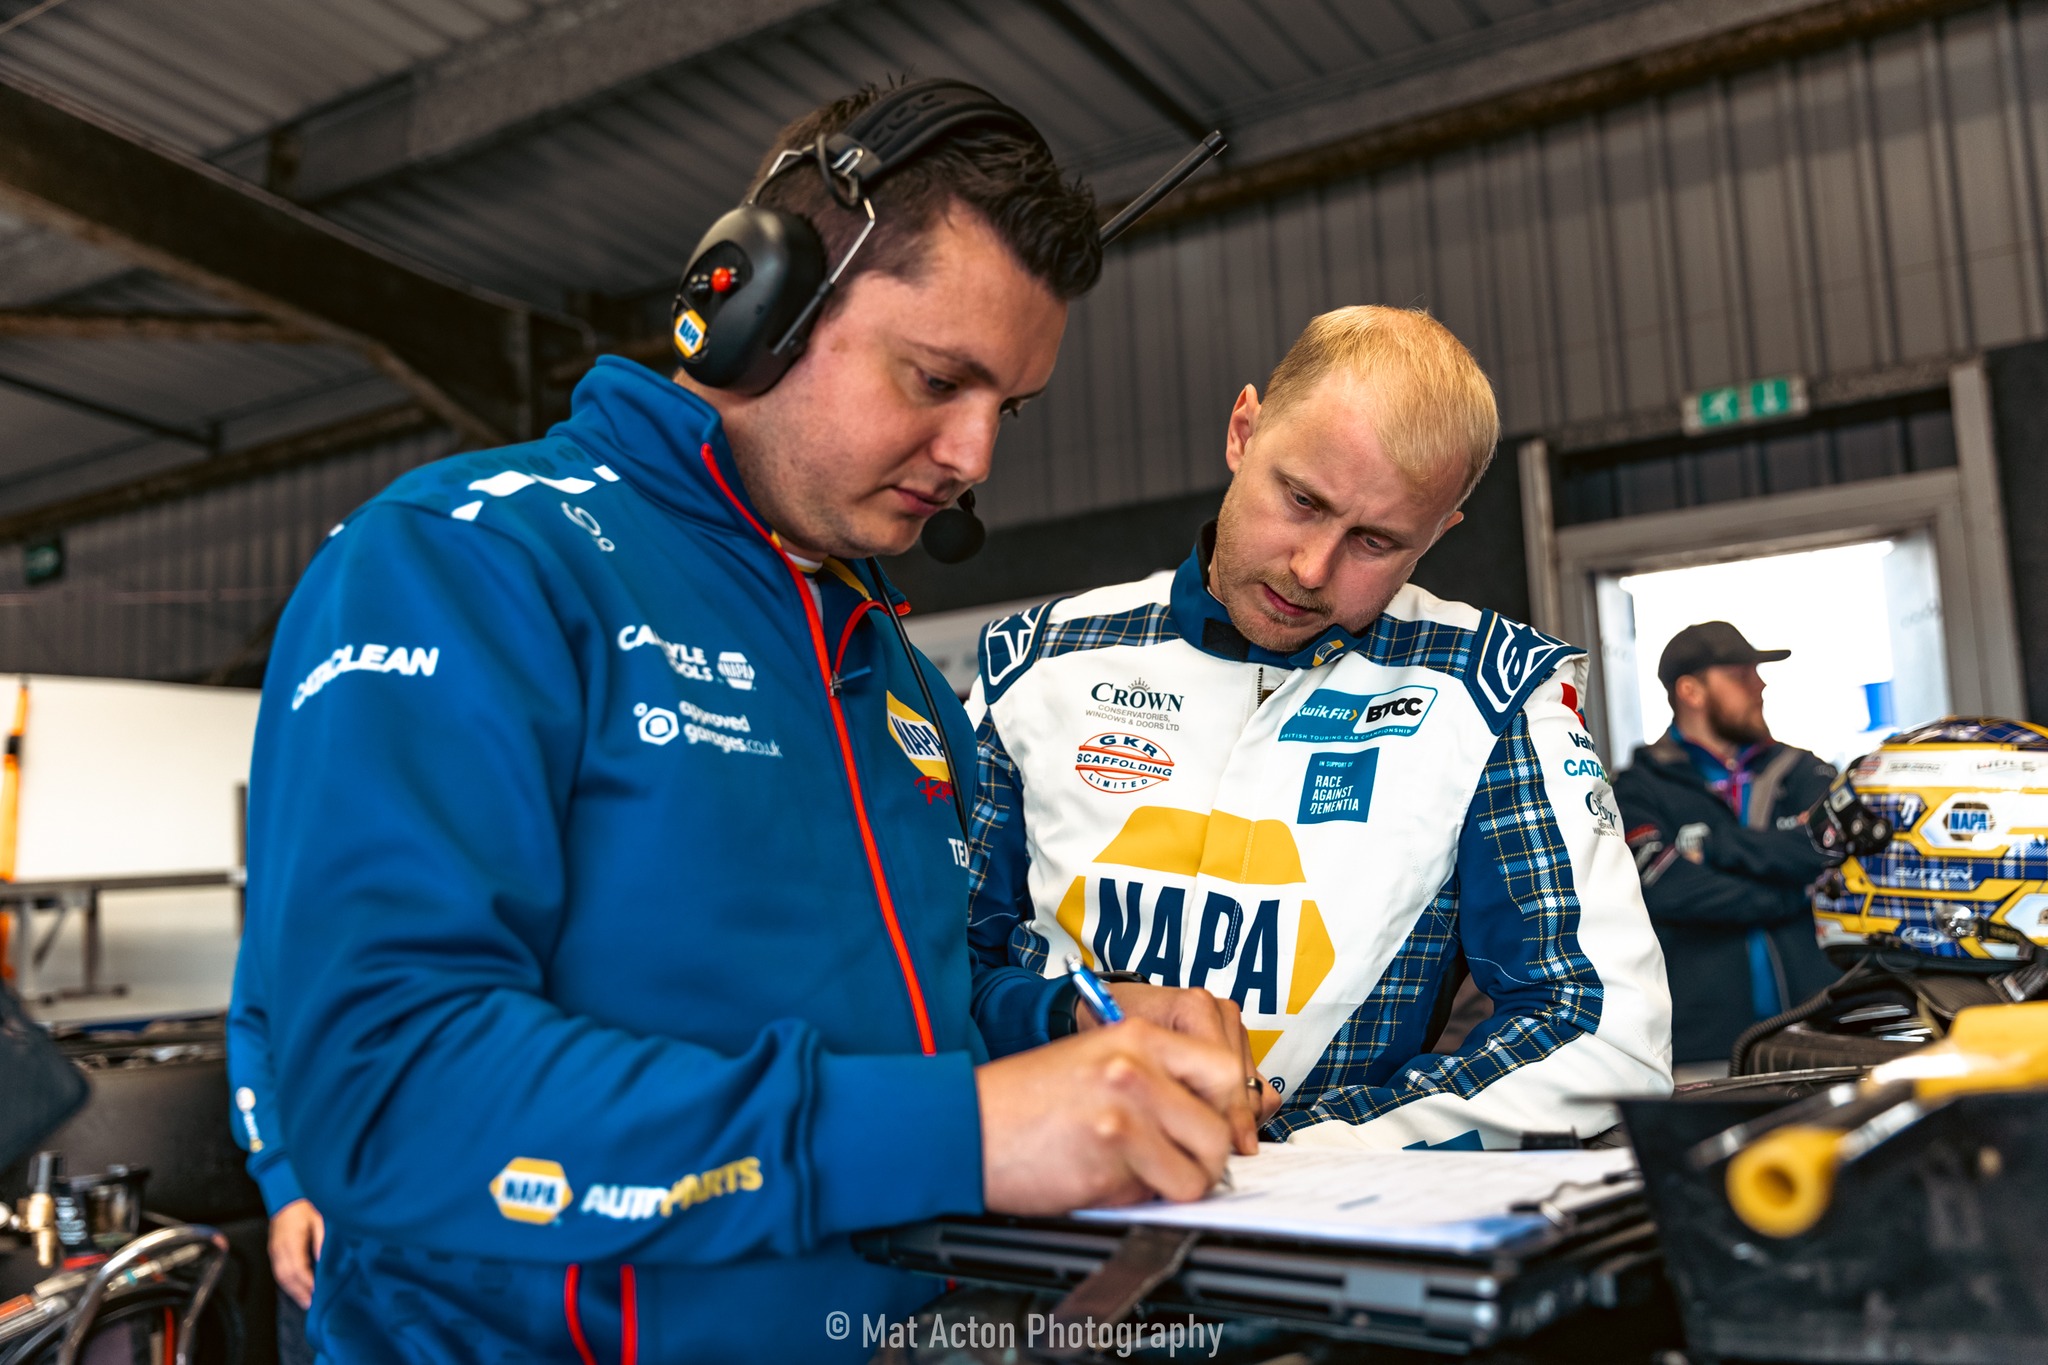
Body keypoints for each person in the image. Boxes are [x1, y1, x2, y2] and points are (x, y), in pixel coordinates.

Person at [230, 82, 1267, 1364]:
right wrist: (963, 1132)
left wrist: (1067, 1031)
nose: (972, 458)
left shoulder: (888, 663)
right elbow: (386, 1094)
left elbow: (905, 1011)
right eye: (938, 379)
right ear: (754, 308)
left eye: (1006, 407)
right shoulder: (470, 564)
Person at [965, 306, 1673, 1150]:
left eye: (1375, 540)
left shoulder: (1496, 690)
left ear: (1437, 533)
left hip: (1330, 1213)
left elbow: (1606, 1038)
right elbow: (924, 974)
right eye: (1301, 500)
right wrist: (1065, 1019)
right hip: (1041, 1196)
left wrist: (1309, 1157)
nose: (1311, 569)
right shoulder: (1036, 659)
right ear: (1242, 432)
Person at [1612, 622, 1839, 1067]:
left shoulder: (1805, 771)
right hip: (1698, 1049)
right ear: (1691, 691)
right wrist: (1795, 891)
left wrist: (1713, 845)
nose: (1760, 685)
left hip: (1821, 1034)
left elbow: (1826, 851)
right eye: (1740, 675)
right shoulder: (1637, 788)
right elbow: (1671, 890)